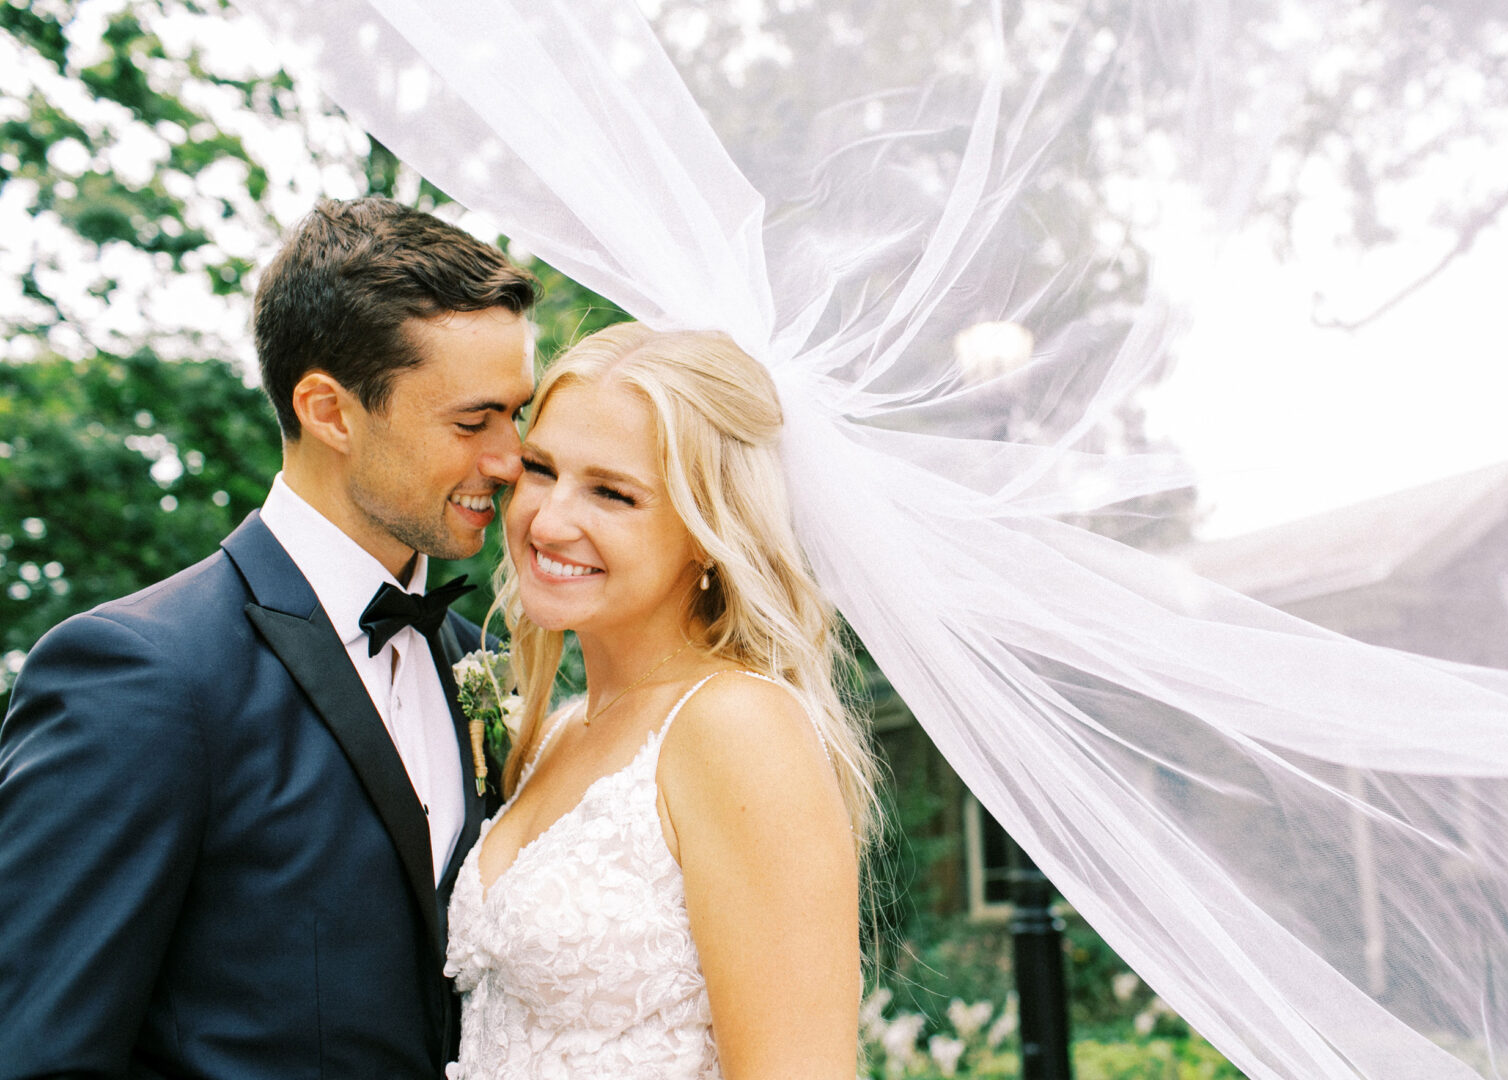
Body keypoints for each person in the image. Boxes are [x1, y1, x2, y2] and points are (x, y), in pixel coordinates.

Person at [0, 196, 537, 1078]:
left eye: (516, 415)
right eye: (472, 421)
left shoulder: (472, 659)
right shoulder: (141, 676)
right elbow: (36, 1053)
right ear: (329, 410)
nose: (511, 459)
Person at [444, 322, 878, 1079]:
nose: (547, 520)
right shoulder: (556, 732)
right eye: (541, 469)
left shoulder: (737, 726)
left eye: (613, 493)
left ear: (709, 530)